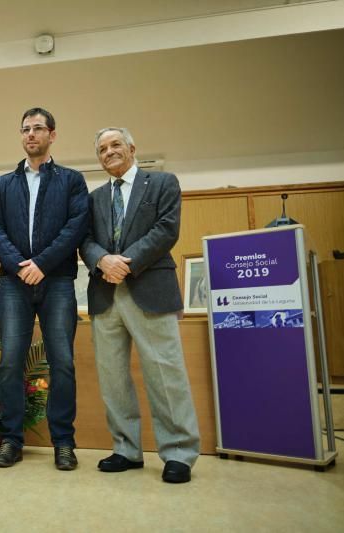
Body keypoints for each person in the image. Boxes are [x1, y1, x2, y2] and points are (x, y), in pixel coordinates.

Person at [80, 127, 200, 483]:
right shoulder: (94, 198)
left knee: (165, 373)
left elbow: (166, 229)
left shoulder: (162, 183)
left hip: (150, 288)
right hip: (105, 295)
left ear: (132, 148)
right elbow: (84, 239)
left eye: (116, 145)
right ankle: (125, 448)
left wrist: (125, 262)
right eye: (102, 149)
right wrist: (102, 260)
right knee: (113, 378)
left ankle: (179, 451)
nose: (109, 152)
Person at [0, 108, 89, 470]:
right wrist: (20, 266)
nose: (31, 134)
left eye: (38, 129)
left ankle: (63, 441)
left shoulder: (72, 180)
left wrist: (42, 264)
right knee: (11, 361)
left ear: (52, 135)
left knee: (62, 362)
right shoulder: (3, 184)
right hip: (14, 284)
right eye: (26, 129)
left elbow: (75, 227)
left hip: (58, 281)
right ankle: (11, 440)